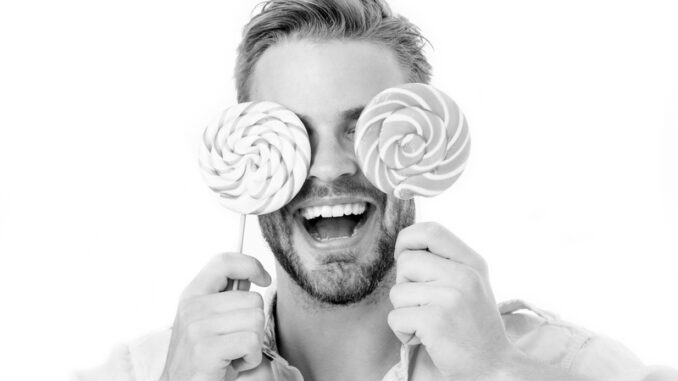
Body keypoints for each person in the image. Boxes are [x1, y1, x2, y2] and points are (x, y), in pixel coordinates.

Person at [74, 1, 677, 380]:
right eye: (294, 133)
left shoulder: (572, 368)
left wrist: (498, 372)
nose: (330, 167)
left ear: (421, 136)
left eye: (363, 127)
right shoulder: (146, 371)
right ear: (250, 153)